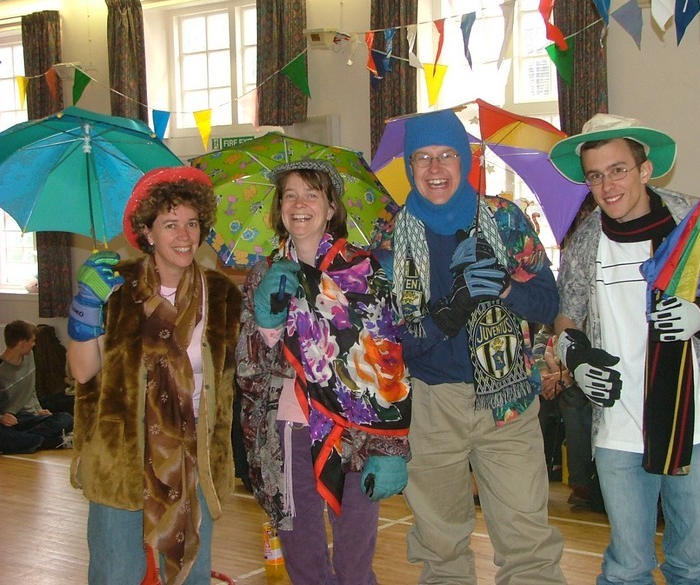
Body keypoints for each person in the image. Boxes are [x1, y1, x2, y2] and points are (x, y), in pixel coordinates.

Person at [548, 113, 700, 584]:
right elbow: (566, 317)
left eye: (617, 169)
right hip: (620, 428)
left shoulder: (695, 222)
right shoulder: (586, 241)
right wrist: (575, 359)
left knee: (692, 560)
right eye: (595, 175)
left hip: (698, 425)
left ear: (645, 170)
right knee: (627, 566)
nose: (607, 184)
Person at [371, 109, 566, 584]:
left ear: (465, 160)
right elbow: (384, 344)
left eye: (446, 156)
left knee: (528, 542)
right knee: (440, 547)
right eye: (422, 158)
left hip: (509, 400)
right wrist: (447, 313)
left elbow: (547, 303)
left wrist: (505, 289)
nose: (435, 169)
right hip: (430, 406)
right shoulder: (388, 236)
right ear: (409, 166)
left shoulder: (505, 220)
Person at [236, 159, 411, 585]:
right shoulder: (262, 272)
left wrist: (391, 448)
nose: (299, 204)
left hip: (354, 432)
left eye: (312, 194)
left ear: (331, 207)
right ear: (279, 208)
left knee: (354, 557)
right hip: (288, 432)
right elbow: (247, 369)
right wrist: (267, 319)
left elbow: (388, 360)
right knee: (302, 555)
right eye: (289, 195)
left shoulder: (365, 271)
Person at [67, 166, 242, 585]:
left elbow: (239, 375)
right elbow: (84, 371)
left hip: (192, 455)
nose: (184, 236)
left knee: (192, 573)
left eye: (192, 223)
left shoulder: (220, 294)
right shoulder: (116, 287)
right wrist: (85, 308)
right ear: (146, 233)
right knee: (116, 573)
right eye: (169, 224)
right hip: (121, 454)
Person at [539, 328, 595, 509]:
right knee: (532, 401)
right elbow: (542, 342)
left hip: (584, 379)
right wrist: (544, 374)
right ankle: (531, 479)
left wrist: (568, 377)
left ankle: (581, 483)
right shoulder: (556, 310)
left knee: (573, 402)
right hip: (552, 375)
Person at [0, 320, 73, 454]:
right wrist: (2, 417)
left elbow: (31, 389)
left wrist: (38, 409)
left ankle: (24, 440)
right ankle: (50, 442)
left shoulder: (30, 357)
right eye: (32, 341)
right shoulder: (2, 369)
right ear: (22, 342)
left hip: (27, 417)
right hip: (7, 421)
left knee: (65, 418)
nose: (34, 344)